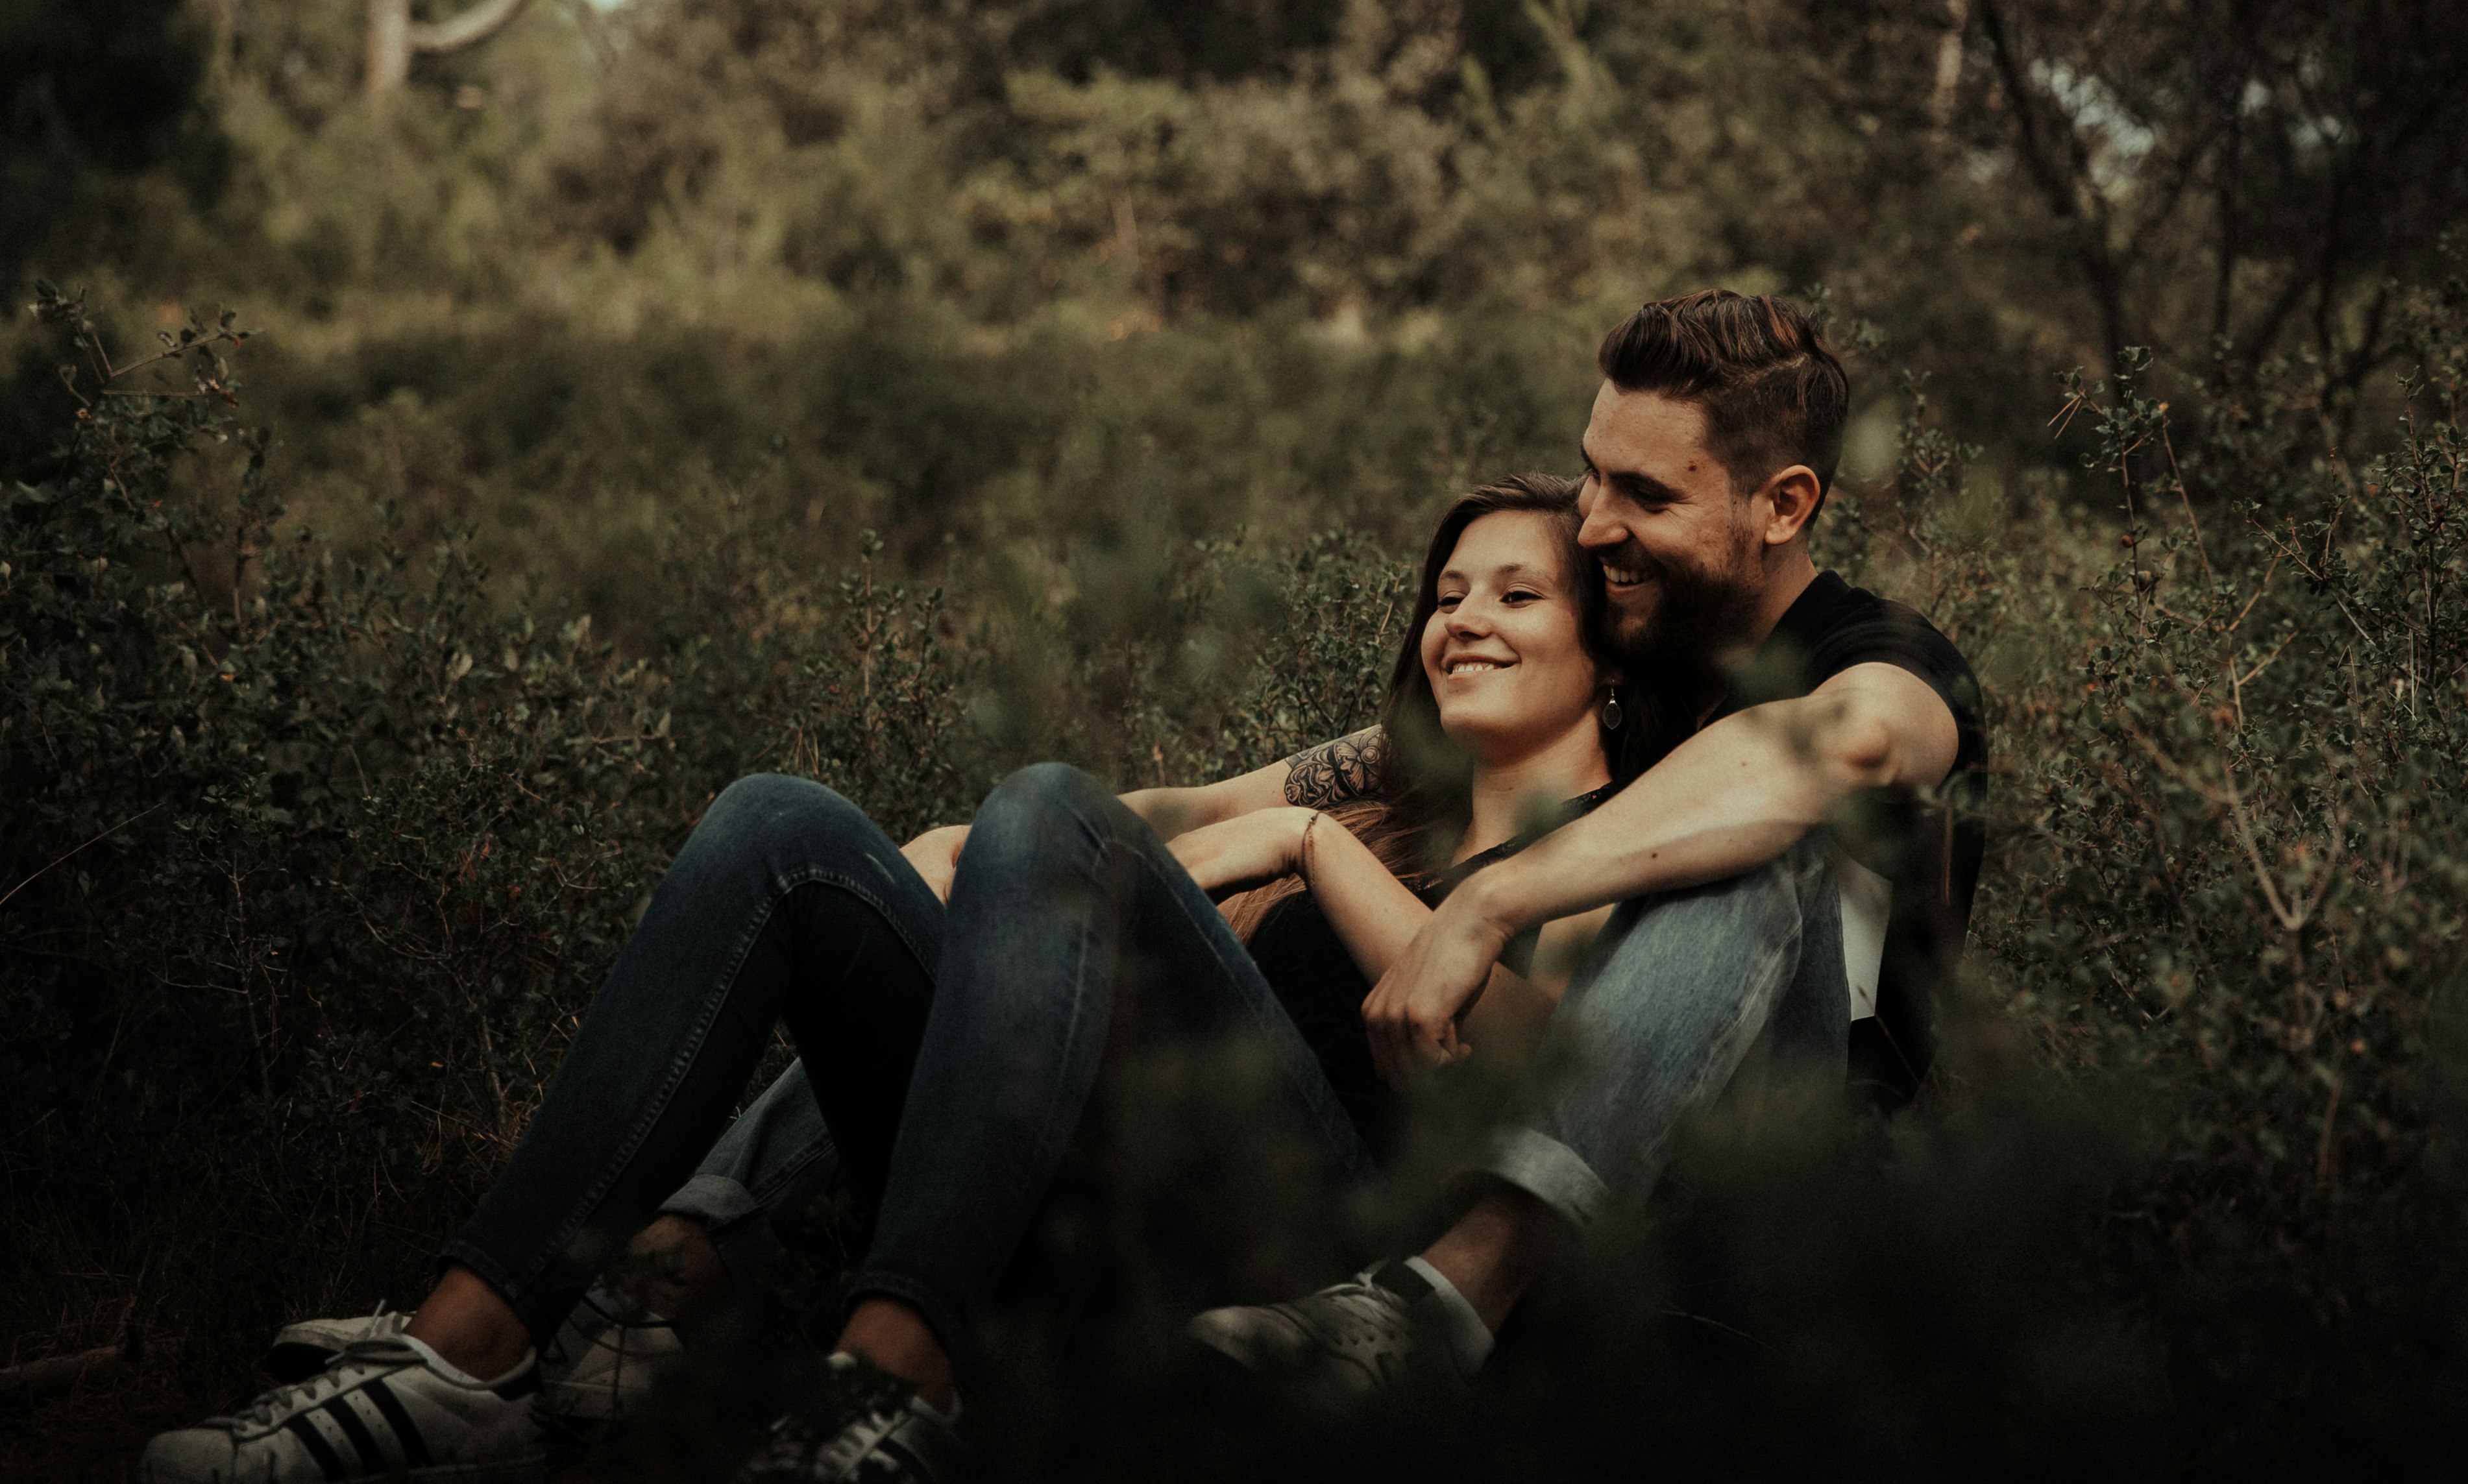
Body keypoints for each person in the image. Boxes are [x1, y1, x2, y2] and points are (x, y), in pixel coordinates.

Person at [134, 474, 1682, 1484]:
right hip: (1089, 1208)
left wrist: (1299, 848)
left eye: (1517, 595)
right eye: (1451, 591)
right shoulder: (1376, 788)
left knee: (1051, 808)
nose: (1464, 617)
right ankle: (462, 1354)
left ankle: (882, 1392)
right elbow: (1126, 825)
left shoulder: (1612, 843)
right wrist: (958, 854)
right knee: (791, 828)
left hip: (1298, 1262)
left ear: (1606, 650)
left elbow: (1539, 1070)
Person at [1184, 289, 1986, 1399]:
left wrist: (1490, 901)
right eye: (1593, 472)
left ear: (1785, 504)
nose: (1597, 521)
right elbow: (1259, 791)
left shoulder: (1880, 654)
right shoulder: (1629, 661)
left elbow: (1845, 746)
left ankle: (1458, 1289)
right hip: (1598, 1147)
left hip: (1782, 1186)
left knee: (1754, 833)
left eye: (1645, 493)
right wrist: (974, 842)